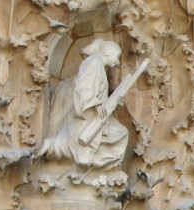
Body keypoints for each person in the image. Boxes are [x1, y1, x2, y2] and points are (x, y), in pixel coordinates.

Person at [39, 39, 131, 170]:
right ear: (107, 54)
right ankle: (57, 146)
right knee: (120, 134)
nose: (117, 62)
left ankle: (96, 165)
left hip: (94, 114)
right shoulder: (94, 62)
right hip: (88, 114)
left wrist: (114, 103)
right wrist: (95, 104)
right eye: (116, 57)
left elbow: (99, 95)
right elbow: (84, 87)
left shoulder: (98, 65)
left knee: (121, 133)